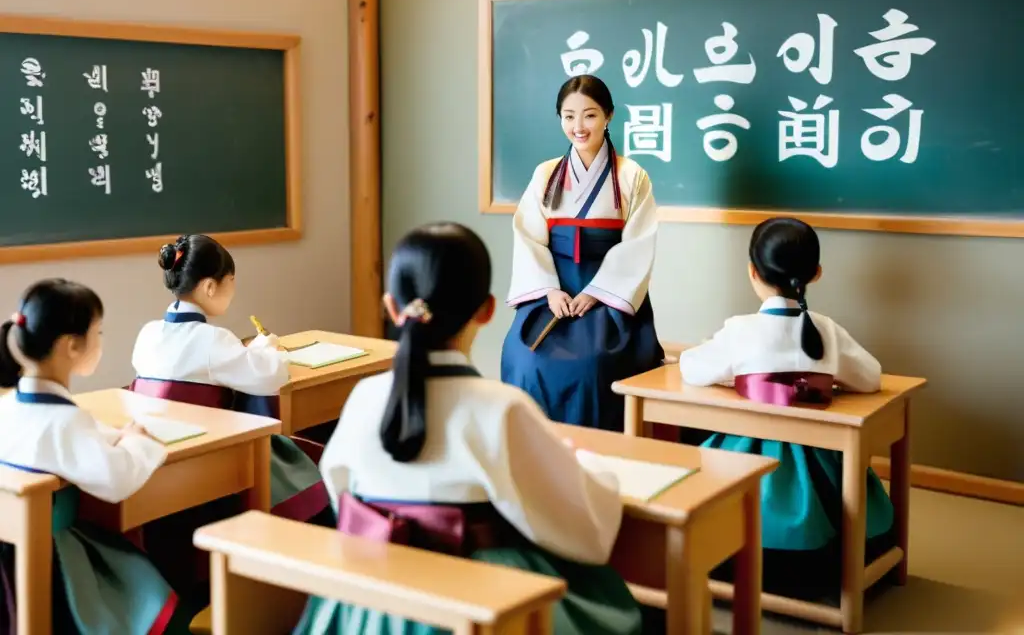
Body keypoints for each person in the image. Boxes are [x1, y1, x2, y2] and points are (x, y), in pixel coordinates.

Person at [294, 223, 641, 635]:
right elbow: (580, 529)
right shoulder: (503, 408)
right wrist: (590, 467)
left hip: (372, 606)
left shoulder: (364, 398)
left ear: (391, 307)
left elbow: (340, 494)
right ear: (487, 309)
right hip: (481, 605)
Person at [678, 217, 895, 598]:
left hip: (750, 461)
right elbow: (871, 377)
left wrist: (736, 376)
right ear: (816, 273)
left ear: (751, 271)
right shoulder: (827, 329)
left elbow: (691, 367)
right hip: (822, 466)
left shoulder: (741, 330)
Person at [131, 235, 331, 590]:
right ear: (210, 287)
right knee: (298, 457)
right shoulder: (212, 341)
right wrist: (267, 347)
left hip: (160, 452)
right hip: (208, 457)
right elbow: (271, 375)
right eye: (230, 283)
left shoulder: (148, 334)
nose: (233, 291)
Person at [0, 279, 189, 634]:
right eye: (98, 332)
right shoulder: (67, 421)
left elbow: (67, 437)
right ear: (72, 346)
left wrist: (109, 434)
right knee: (149, 585)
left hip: (7, 559)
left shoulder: (9, 408)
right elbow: (117, 480)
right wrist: (138, 442)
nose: (101, 341)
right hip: (52, 562)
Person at [500, 74, 663, 431]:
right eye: (568, 116)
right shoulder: (546, 174)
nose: (578, 126)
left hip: (606, 296)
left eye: (589, 115)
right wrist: (548, 290)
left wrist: (595, 292)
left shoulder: (632, 176)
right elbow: (529, 237)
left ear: (609, 116)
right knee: (524, 358)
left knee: (593, 367)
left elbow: (637, 243)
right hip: (553, 292)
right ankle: (531, 454)